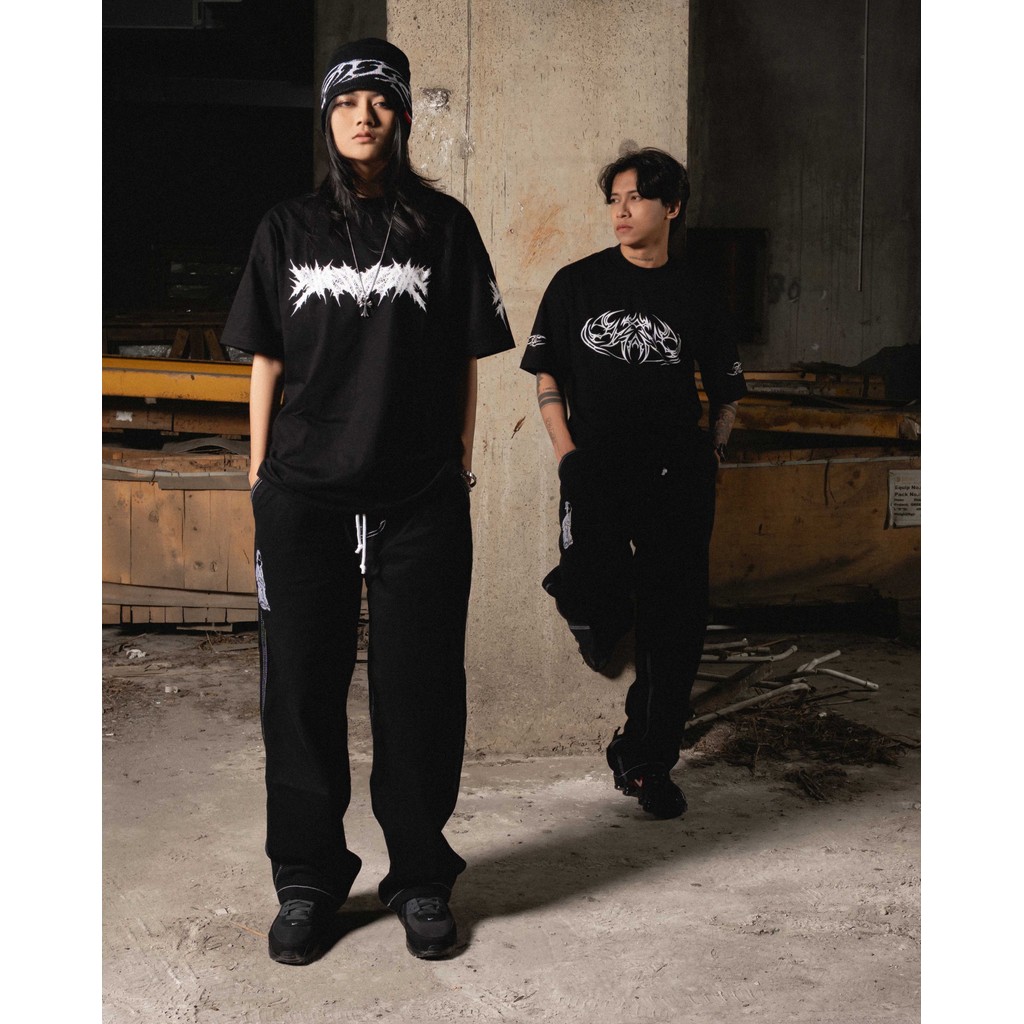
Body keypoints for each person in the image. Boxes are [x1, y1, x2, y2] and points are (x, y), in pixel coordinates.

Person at [221, 38, 515, 965]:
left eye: (379, 101)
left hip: (418, 497)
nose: (363, 115)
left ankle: (420, 875)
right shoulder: (288, 227)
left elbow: (466, 358)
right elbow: (266, 358)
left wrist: (458, 463)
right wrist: (260, 473)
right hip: (303, 495)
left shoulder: (444, 225)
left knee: (419, 690)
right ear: (328, 117)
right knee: (299, 693)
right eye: (347, 102)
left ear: (402, 116)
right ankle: (308, 880)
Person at [519, 147, 747, 820]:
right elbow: (548, 375)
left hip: (677, 476)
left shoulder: (698, 290)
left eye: (636, 198)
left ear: (671, 207)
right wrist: (568, 455)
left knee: (676, 624)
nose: (621, 211)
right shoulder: (576, 284)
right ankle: (596, 607)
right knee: (591, 583)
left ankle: (646, 759)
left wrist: (712, 454)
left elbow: (727, 389)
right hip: (595, 471)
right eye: (614, 199)